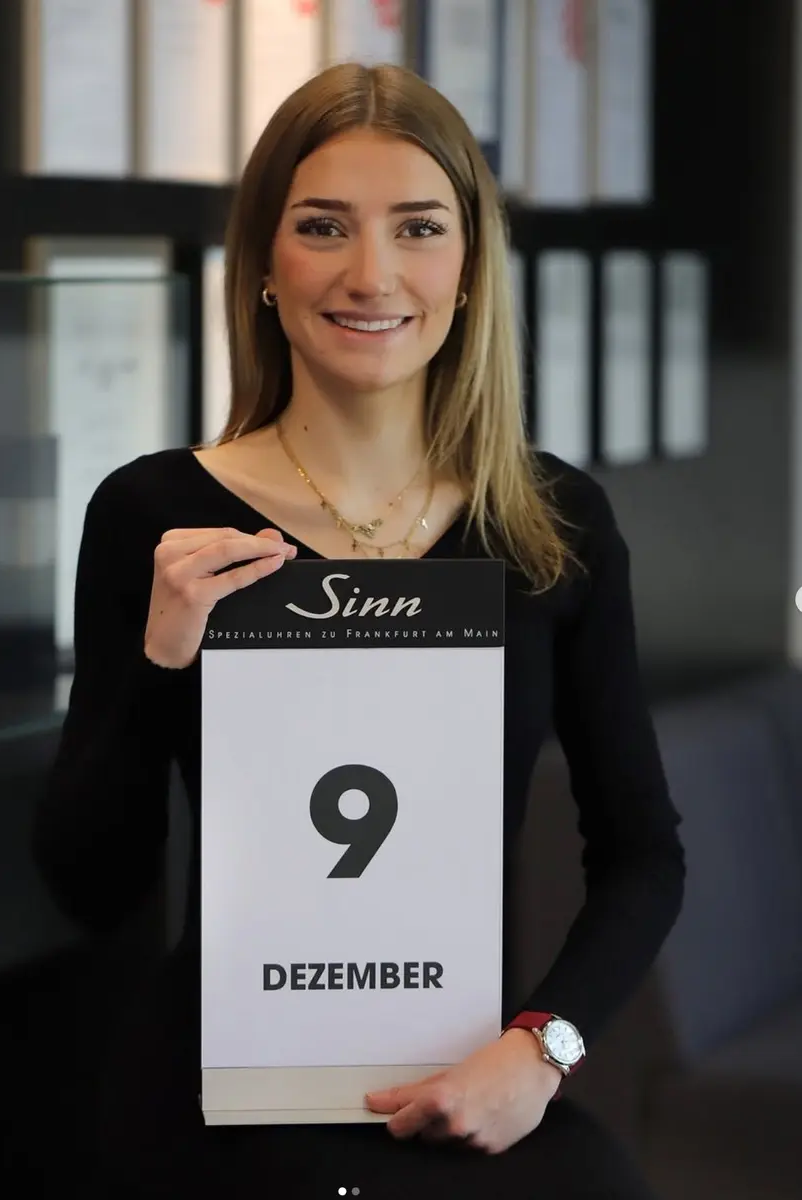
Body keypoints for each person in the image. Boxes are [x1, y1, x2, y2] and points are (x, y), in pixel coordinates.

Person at [33, 61, 685, 1199]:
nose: (371, 274)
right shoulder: (154, 516)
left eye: (418, 228)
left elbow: (643, 855)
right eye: (322, 226)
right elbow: (91, 888)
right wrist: (160, 658)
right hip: (217, 1106)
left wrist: (542, 1053)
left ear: (469, 271)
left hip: (467, 1094)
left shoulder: (553, 523)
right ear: (264, 264)